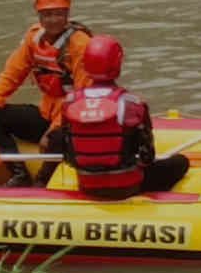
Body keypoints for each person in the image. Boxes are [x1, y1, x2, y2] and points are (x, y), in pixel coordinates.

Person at [0, 0, 92, 187]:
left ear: (67, 13)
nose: (53, 20)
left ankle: (42, 181)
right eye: (47, 14)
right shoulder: (34, 39)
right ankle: (19, 174)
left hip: (72, 120)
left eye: (58, 13)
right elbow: (11, 75)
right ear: (38, 14)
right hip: (47, 113)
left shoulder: (81, 45)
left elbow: (81, 96)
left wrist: (53, 130)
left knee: (56, 138)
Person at [62, 34, 190, 199]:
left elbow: (67, 151)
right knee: (181, 162)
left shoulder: (70, 102)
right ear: (118, 64)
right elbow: (147, 156)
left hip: (87, 186)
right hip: (127, 187)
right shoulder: (132, 103)